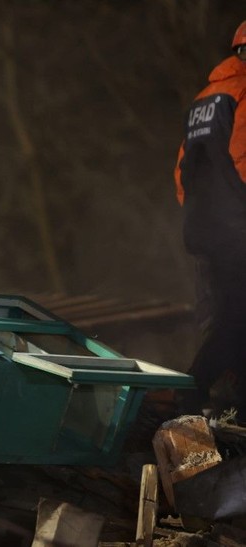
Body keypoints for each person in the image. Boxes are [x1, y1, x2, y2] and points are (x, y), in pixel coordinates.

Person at [174, 21, 246, 417]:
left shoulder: (206, 98)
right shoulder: (244, 93)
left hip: (204, 230)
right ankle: (192, 391)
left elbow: (182, 170)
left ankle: (225, 403)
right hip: (236, 231)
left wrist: (199, 215)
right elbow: (243, 159)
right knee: (236, 323)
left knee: (224, 320)